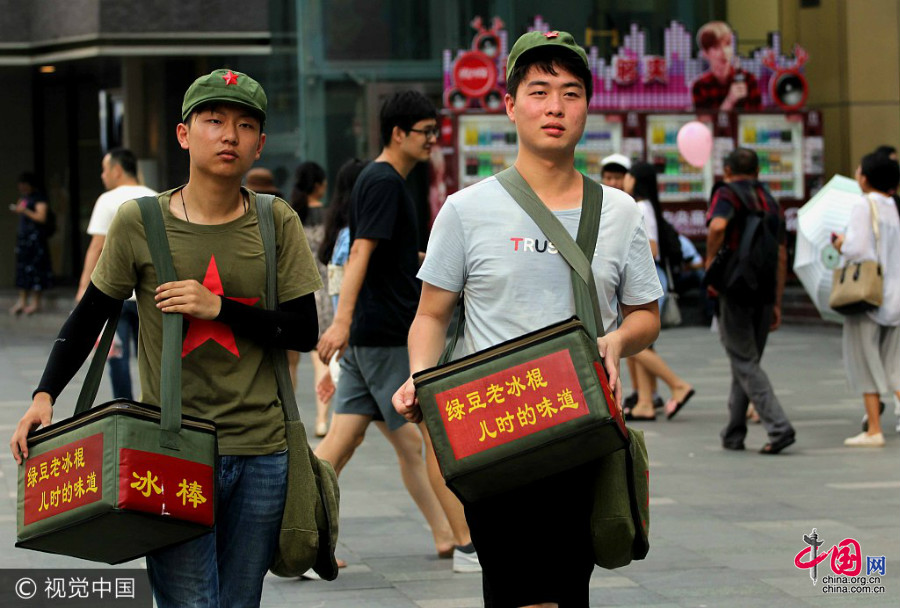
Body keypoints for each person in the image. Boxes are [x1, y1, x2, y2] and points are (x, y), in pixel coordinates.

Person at [10, 68, 322, 607]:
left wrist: (218, 307)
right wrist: (44, 396)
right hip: (168, 450)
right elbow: (89, 315)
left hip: (262, 452)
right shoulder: (140, 221)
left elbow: (303, 331)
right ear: (184, 133)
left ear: (259, 144)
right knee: (189, 603)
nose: (230, 135)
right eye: (214, 120)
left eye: (245, 125)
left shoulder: (277, 222)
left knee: (239, 602)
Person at [393, 30, 662, 606]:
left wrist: (617, 342)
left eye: (570, 93)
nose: (556, 107)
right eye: (539, 92)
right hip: (494, 434)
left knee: (567, 585)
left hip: (583, 431)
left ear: (588, 106)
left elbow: (646, 315)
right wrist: (422, 374)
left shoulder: (618, 212)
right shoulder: (466, 209)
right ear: (511, 105)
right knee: (517, 585)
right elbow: (431, 315)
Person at [314, 91, 459, 563]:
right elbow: (360, 252)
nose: (433, 141)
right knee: (429, 441)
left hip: (374, 335)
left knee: (344, 441)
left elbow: (390, 257)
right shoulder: (383, 181)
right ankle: (467, 542)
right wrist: (340, 322)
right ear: (398, 133)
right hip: (385, 335)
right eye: (426, 133)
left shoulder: (385, 180)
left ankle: (296, 532)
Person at [706, 147, 795, 454]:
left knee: (744, 360)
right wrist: (777, 300)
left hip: (735, 287)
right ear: (758, 172)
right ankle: (733, 432)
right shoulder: (771, 201)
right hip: (765, 289)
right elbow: (782, 254)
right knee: (745, 360)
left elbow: (717, 226)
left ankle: (779, 426)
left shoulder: (727, 194)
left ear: (727, 171)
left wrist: (710, 264)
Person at [76, 148, 157, 400]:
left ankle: (126, 408)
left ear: (117, 170)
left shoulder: (107, 200)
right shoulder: (157, 197)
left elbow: (97, 247)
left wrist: (82, 290)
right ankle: (156, 407)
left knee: (116, 356)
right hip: (152, 293)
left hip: (117, 294)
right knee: (154, 357)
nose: (102, 175)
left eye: (104, 169)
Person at [832, 152, 900, 446]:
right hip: (896, 295)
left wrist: (839, 243)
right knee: (894, 363)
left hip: (868, 294)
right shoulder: (895, 206)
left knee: (865, 359)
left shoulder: (864, 205)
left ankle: (874, 428)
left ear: (866, 177)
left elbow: (857, 249)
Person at [622, 162, 695, 421]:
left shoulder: (641, 207)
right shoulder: (648, 206)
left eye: (628, 176)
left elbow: (651, 249)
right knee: (641, 345)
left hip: (647, 279)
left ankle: (677, 385)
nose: (624, 180)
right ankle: (645, 400)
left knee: (635, 343)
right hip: (651, 278)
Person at [315, 158, 368, 406]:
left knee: (347, 433)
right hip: (360, 342)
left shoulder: (340, 234)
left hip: (350, 346)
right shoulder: (354, 239)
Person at [290, 160, 334, 437]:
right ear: (319, 185)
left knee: (289, 362)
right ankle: (321, 419)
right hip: (324, 290)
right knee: (322, 359)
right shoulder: (329, 217)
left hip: (295, 290)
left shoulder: (290, 215)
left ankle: (289, 418)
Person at [692, 21, 761, 112]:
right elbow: (704, 123)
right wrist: (730, 101)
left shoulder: (749, 80)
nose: (724, 52)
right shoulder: (700, 86)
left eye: (727, 45)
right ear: (705, 53)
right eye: (716, 47)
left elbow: (759, 119)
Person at [9, 172, 53, 315]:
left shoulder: (39, 198)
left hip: (36, 239)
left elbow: (41, 217)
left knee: (36, 270)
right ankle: (22, 301)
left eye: (24, 184)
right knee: (22, 269)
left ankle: (35, 302)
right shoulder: (25, 197)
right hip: (24, 238)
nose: (22, 187)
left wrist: (25, 211)